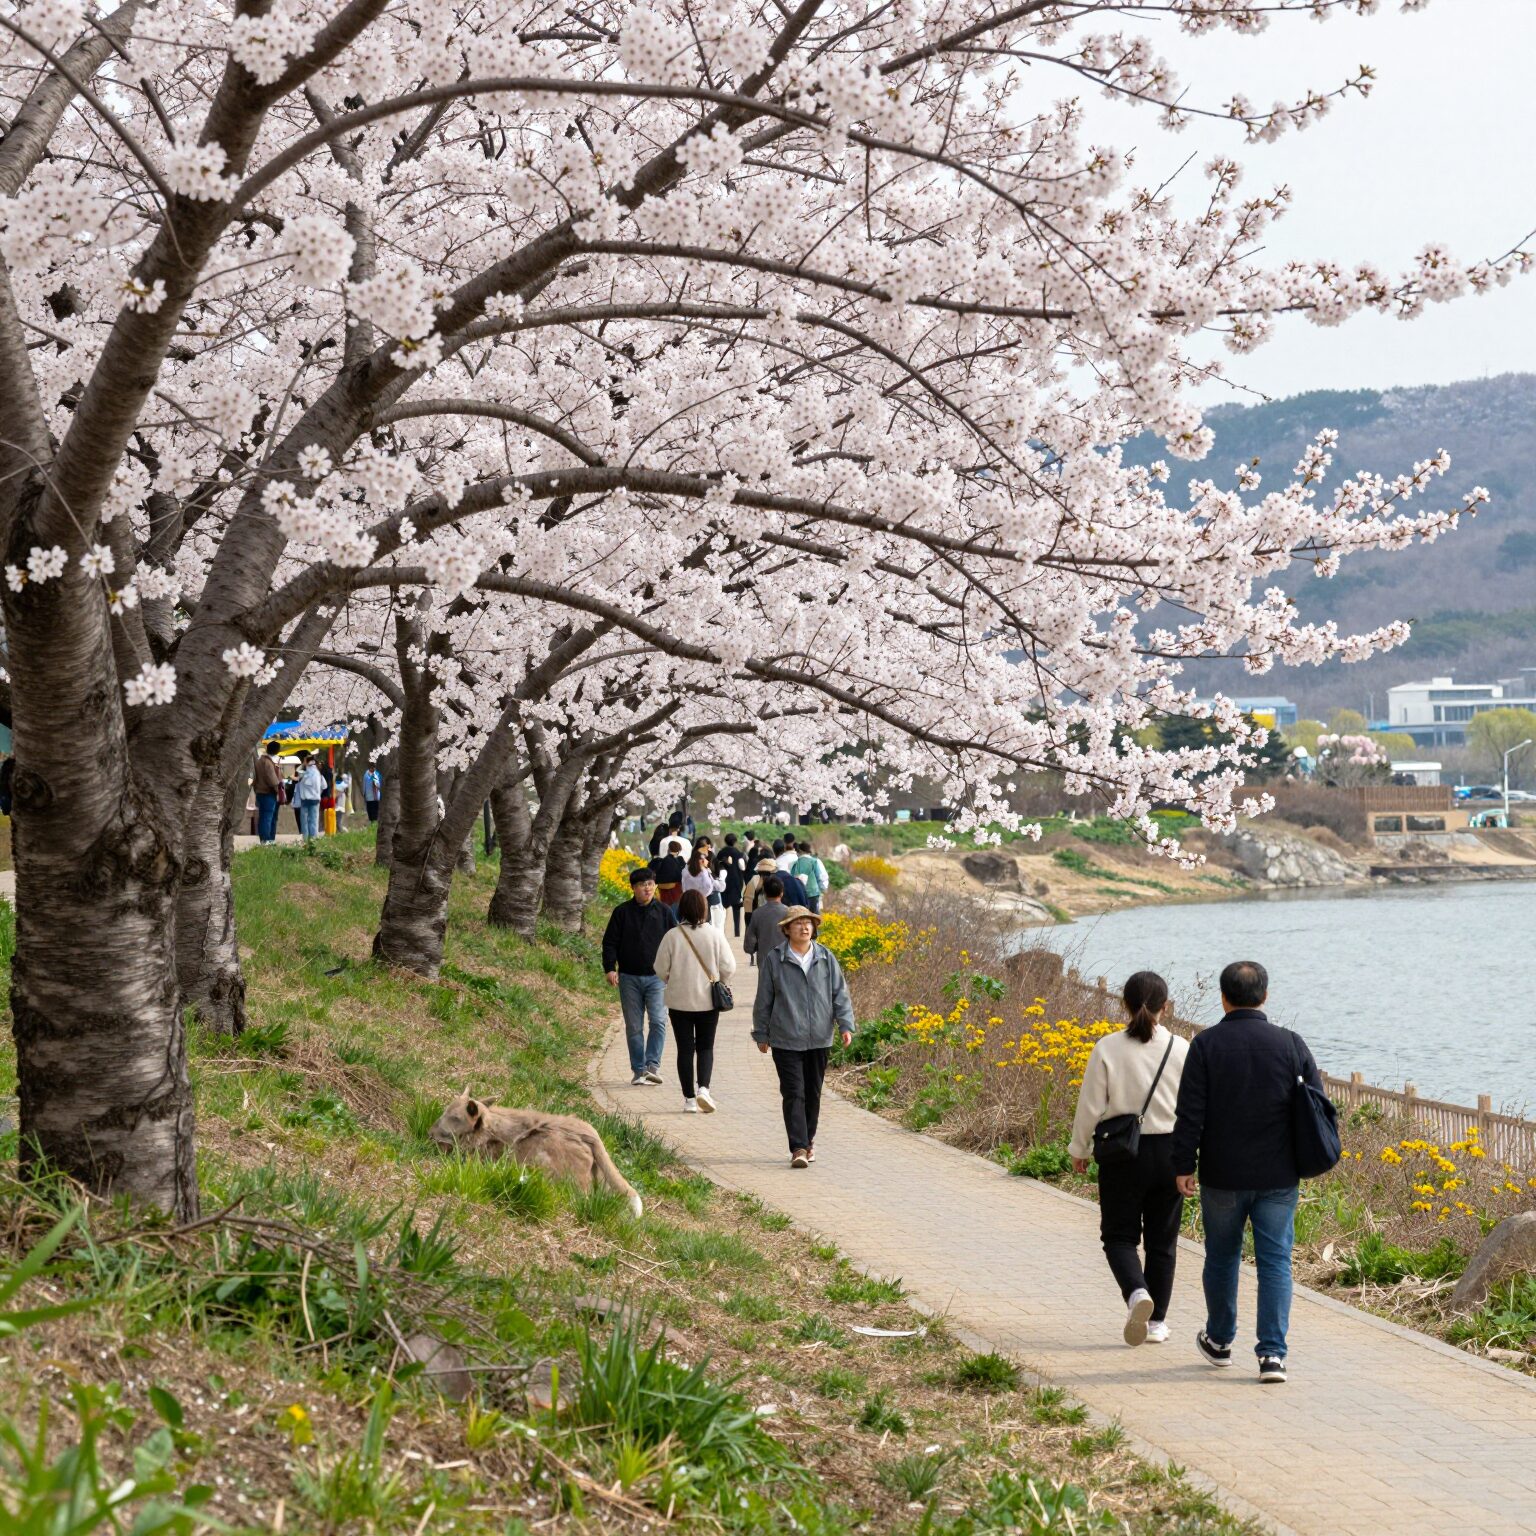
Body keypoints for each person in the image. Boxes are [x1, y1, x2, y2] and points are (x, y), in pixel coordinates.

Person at [1172, 959, 1323, 1386]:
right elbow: (1316, 1105)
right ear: (1265, 995)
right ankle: (1272, 1356)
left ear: (1223, 997)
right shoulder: (1290, 1044)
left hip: (1222, 1173)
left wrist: (1184, 1165)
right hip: (1279, 1175)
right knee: (1275, 1262)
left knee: (1222, 1256)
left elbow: (1190, 1113)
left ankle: (1219, 1341)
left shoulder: (1206, 1045)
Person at [1069, 971, 1189, 1347]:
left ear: (1123, 1005)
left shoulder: (1107, 1047)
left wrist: (1080, 1149)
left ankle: (1137, 1293)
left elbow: (1090, 1105)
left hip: (1122, 1153)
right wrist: (1193, 1158)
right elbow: (1193, 1108)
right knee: (1162, 1242)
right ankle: (1157, 1325)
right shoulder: (1183, 1049)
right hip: (1170, 1153)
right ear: (1165, 1007)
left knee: (1119, 1236)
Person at [752, 906, 855, 1168]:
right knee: (793, 1092)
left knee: (813, 1093)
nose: (805, 927)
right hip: (786, 1037)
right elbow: (764, 999)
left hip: (819, 1037)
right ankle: (798, 1147)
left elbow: (839, 994)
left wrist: (845, 1025)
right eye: (797, 923)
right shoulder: (775, 959)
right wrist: (761, 1033)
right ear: (787, 929)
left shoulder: (825, 957)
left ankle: (808, 1141)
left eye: (808, 923)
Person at [653, 889, 737, 1113]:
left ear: (681, 909)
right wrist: (721, 980)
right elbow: (729, 966)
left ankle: (689, 1100)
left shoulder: (672, 936)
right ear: (704, 908)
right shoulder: (715, 934)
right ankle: (704, 1090)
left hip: (679, 1002)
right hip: (708, 1001)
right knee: (706, 1047)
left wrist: (673, 979)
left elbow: (660, 968)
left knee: (685, 1049)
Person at [601, 866, 679, 1086]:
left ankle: (652, 1065)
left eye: (651, 884)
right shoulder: (622, 912)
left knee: (658, 1021)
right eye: (643, 885)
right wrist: (609, 968)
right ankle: (638, 1070)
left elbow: (674, 941)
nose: (648, 888)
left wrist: (673, 970)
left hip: (657, 978)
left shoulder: (664, 911)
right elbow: (610, 943)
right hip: (628, 978)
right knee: (634, 1026)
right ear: (633, 888)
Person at [681, 846, 726, 931]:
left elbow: (683, 887)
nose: (707, 861)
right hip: (704, 901)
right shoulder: (704, 871)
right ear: (701, 860)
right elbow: (709, 887)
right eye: (706, 858)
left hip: (688, 900)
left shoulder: (686, 870)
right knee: (704, 925)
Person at [717, 832, 748, 937]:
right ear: (735, 842)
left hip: (724, 881)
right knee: (736, 908)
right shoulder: (738, 853)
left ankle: (721, 930)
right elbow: (742, 867)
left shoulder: (721, 853)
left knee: (723, 907)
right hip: (735, 882)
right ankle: (737, 931)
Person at [254, 740, 283, 844]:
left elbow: (255, 779)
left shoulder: (258, 761)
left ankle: (263, 839)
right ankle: (267, 840)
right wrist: (278, 790)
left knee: (263, 817)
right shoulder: (268, 762)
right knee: (268, 817)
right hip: (268, 793)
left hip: (260, 792)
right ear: (276, 750)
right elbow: (272, 780)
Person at [790, 839, 830, 915]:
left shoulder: (795, 863)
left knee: (802, 915)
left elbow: (792, 879)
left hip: (800, 894)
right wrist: (823, 889)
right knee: (814, 916)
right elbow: (820, 877)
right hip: (813, 893)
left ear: (800, 851)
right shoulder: (814, 861)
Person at [295, 751, 324, 841]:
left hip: (306, 799)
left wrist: (303, 764)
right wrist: (318, 793)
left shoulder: (306, 772)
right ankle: (313, 839)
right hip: (315, 799)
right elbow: (324, 785)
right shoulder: (317, 772)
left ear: (306, 761)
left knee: (305, 821)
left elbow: (297, 772)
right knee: (314, 820)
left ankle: (306, 839)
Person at [650, 838, 687, 908]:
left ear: (668, 849)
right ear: (679, 850)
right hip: (676, 891)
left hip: (663, 892)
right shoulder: (680, 861)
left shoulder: (663, 861)